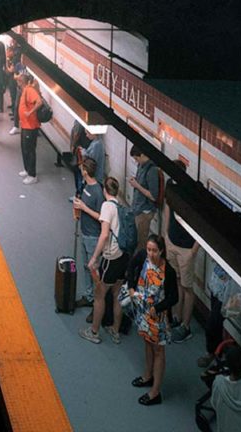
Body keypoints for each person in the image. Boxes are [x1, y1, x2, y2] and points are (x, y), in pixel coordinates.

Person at [125, 233, 179, 406]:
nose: (151, 254)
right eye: (149, 250)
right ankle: (147, 376)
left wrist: (158, 308)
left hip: (157, 317)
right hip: (143, 312)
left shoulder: (168, 271)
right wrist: (132, 287)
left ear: (162, 251)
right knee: (147, 344)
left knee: (158, 351)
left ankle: (155, 392)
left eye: (155, 250)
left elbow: (174, 297)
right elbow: (131, 267)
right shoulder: (142, 257)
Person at [79, 175, 126, 347]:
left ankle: (93, 332)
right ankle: (115, 330)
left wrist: (94, 257)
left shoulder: (107, 206)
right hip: (123, 256)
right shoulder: (121, 206)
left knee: (100, 295)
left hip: (111, 257)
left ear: (105, 190)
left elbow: (104, 234)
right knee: (117, 294)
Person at [163, 162, 199, 343]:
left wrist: (194, 250)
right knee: (176, 281)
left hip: (186, 247)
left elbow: (201, 224)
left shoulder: (192, 193)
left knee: (187, 287)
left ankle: (186, 325)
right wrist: (166, 235)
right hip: (173, 241)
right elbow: (168, 209)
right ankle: (177, 316)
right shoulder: (170, 186)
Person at [72, 156, 105, 313]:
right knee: (86, 267)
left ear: (85, 171)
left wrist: (84, 208)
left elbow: (101, 217)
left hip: (93, 236)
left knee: (94, 270)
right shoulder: (86, 186)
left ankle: (98, 302)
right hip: (84, 232)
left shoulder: (98, 191)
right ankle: (89, 296)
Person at [128, 145, 159, 249]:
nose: (136, 161)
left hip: (145, 211)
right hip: (137, 208)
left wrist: (137, 186)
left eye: (136, 159)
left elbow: (153, 196)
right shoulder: (141, 166)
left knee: (142, 240)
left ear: (141, 155)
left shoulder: (152, 170)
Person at [18, 74, 41, 184]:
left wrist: (30, 112)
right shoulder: (25, 90)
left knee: (30, 150)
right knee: (24, 148)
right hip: (25, 125)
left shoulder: (29, 90)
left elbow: (39, 102)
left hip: (30, 126)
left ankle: (32, 175)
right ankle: (27, 169)